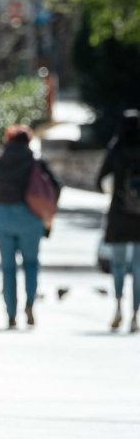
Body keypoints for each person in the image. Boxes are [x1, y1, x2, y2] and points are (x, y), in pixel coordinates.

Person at [0, 125, 61, 330]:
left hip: (1, 215)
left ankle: (11, 314)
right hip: (30, 217)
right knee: (31, 264)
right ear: (28, 141)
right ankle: (30, 303)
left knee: (8, 267)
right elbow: (57, 186)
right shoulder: (36, 160)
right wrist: (48, 212)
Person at [97, 109, 140, 333]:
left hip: (120, 214)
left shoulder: (117, 149)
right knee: (139, 267)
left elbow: (99, 180)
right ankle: (135, 316)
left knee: (119, 265)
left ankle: (118, 306)